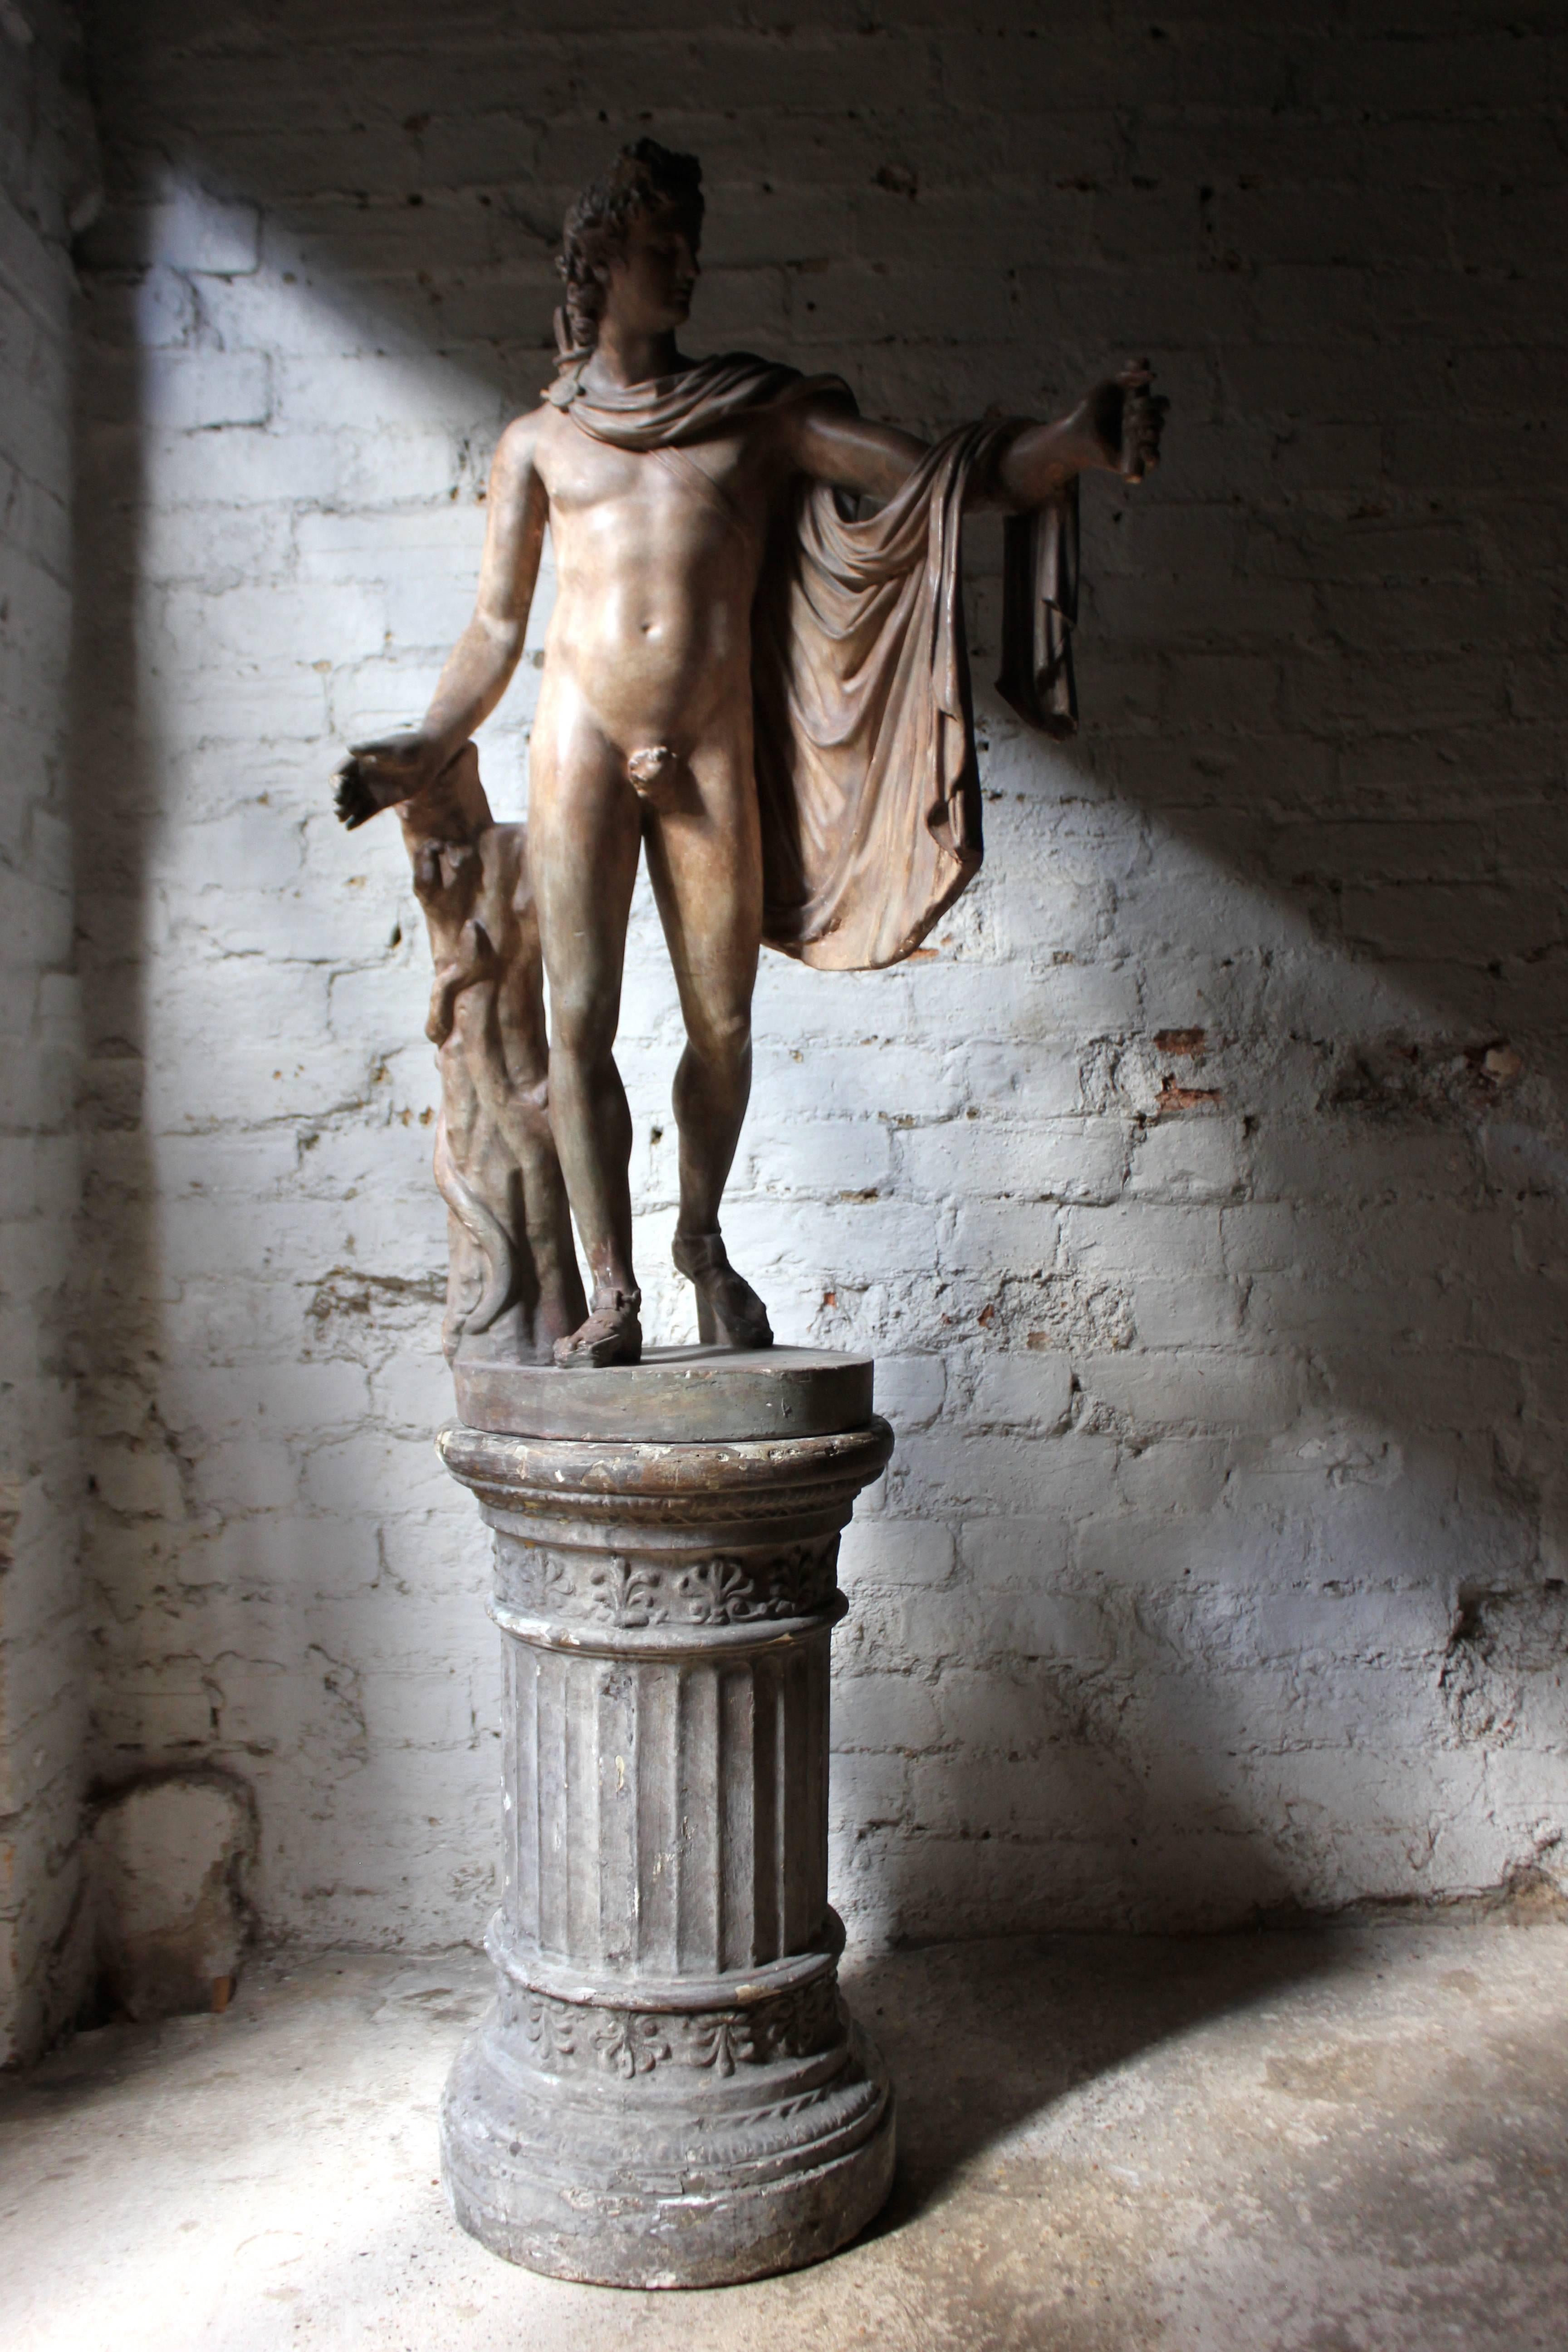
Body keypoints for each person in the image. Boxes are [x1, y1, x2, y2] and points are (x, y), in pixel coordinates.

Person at [334, 140, 1164, 1367]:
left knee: (723, 1023)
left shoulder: (759, 413)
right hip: (583, 737)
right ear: (599, 263)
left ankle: (701, 1241)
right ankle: (610, 1289)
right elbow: (497, 630)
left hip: (709, 743)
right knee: (582, 1022)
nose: (686, 268)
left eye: (689, 248)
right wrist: (428, 738)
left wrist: (1069, 443)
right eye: (661, 249)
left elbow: (933, 477)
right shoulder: (539, 446)